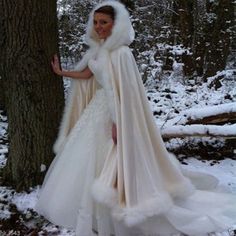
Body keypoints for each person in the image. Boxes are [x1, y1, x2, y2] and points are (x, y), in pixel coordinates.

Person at [35, 1, 236, 236]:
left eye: (104, 22)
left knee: (113, 160)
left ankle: (116, 210)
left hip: (115, 114)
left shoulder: (122, 53)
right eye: (96, 22)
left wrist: (118, 122)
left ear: (115, 24)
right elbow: (87, 73)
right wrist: (62, 72)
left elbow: (126, 92)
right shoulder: (99, 49)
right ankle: (88, 208)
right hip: (96, 110)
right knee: (86, 158)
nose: (99, 27)